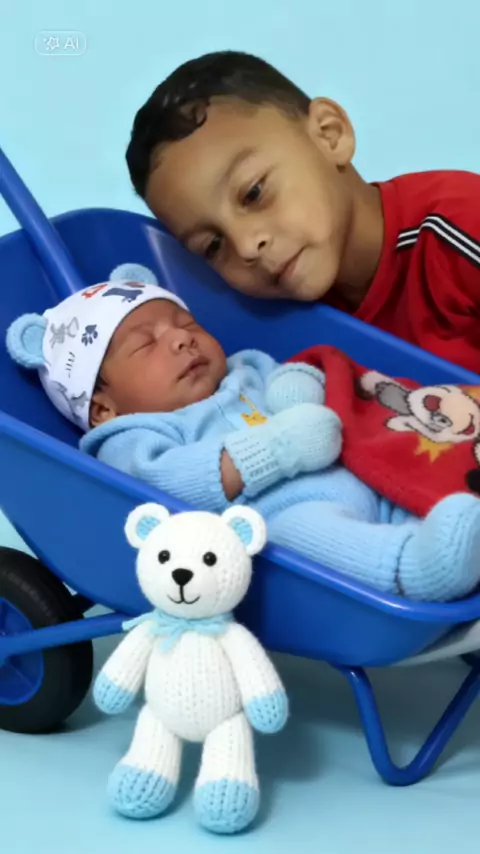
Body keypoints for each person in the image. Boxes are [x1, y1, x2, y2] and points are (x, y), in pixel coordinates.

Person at [7, 266, 480, 604]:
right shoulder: (130, 439)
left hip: (355, 469)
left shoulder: (243, 369)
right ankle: (415, 568)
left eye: (187, 324)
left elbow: (291, 376)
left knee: (411, 479)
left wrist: (297, 389)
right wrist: (276, 450)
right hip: (279, 522)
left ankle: (454, 530)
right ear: (103, 408)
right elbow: (169, 483)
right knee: (308, 536)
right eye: (147, 344)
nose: (182, 338)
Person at [125, 50, 480, 373]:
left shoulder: (461, 227)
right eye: (213, 245)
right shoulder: (277, 324)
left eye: (253, 193)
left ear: (329, 135)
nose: (246, 247)